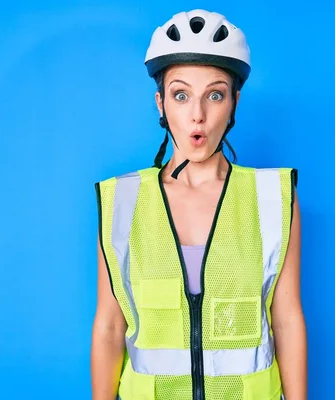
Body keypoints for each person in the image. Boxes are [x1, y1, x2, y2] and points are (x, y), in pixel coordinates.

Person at [91, 9, 307, 400]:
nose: (198, 115)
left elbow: (287, 318)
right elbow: (108, 325)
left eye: (215, 94)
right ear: (160, 103)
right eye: (181, 94)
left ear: (234, 102)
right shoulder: (122, 200)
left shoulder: (272, 198)